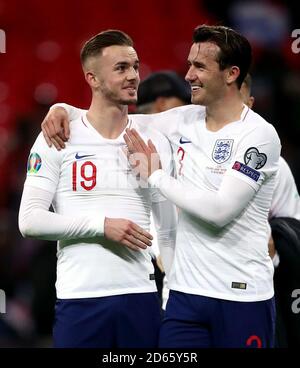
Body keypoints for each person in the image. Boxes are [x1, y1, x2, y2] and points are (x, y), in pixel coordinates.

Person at [41, 25, 281, 348]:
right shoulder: (183, 121)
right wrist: (61, 111)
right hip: (184, 300)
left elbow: (220, 211)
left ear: (230, 74)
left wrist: (155, 176)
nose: (188, 75)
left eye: (199, 67)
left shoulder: (259, 136)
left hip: (241, 295)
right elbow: (108, 116)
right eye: (189, 64)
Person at [18, 30, 177, 348]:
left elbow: (168, 227)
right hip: (81, 300)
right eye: (121, 68)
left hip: (141, 298)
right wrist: (102, 226)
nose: (133, 76)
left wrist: (171, 294)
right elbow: (30, 220)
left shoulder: (154, 137)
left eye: (135, 66)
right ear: (92, 77)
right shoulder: (58, 136)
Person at [241, 74, 300, 347]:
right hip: (193, 293)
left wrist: (274, 244)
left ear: (250, 103)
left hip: (257, 292)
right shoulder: (186, 158)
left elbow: (294, 231)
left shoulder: (274, 164)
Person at [136, 71, 190, 308]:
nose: (188, 111)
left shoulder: (124, 138)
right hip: (157, 266)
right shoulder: (148, 144)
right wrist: (160, 249)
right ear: (162, 104)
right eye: (183, 104)